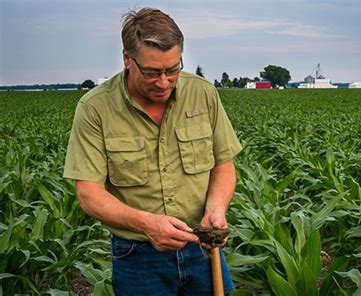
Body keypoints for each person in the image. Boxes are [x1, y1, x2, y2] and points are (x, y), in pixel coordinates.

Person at [63, 7, 242, 295]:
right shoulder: (95, 108)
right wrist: (147, 224)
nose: (163, 82)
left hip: (202, 247)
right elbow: (89, 193)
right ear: (126, 59)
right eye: (151, 72)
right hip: (137, 255)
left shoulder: (203, 93)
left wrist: (216, 209)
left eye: (172, 70)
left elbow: (223, 164)